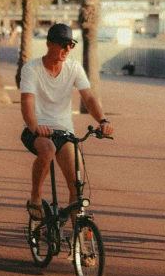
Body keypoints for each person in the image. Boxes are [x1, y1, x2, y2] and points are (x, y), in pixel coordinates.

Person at [20, 23, 113, 221]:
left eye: (70, 45)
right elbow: (27, 102)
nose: (66, 49)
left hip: (64, 131)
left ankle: (77, 243)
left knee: (77, 187)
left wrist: (103, 120)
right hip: (36, 129)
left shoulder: (74, 68)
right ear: (48, 44)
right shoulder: (31, 69)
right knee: (48, 150)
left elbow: (88, 98)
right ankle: (35, 195)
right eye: (62, 44)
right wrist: (35, 126)